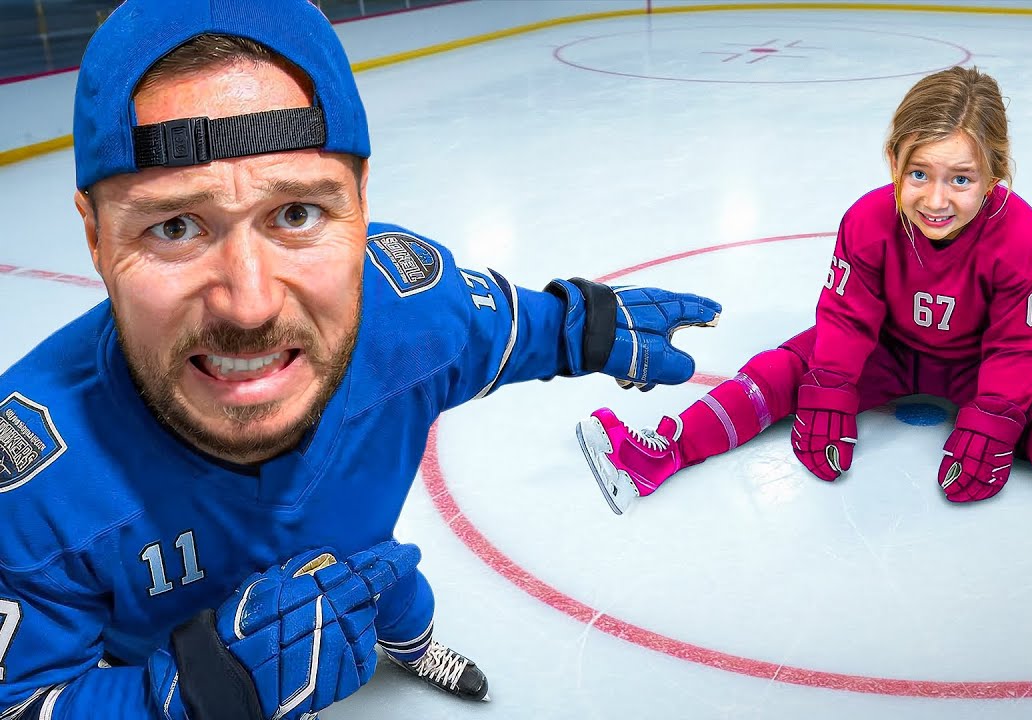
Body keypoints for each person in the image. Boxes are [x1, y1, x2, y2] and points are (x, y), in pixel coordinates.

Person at [0, 1, 721, 718]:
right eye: (176, 226)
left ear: (361, 203)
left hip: (363, 575)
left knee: (401, 598)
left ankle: (412, 647)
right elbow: (23, 701)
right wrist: (189, 698)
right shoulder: (28, 493)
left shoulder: (412, 310)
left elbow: (503, 327)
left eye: (297, 213)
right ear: (95, 237)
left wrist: (581, 325)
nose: (248, 307)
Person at [576, 66, 1032, 648]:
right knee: (783, 367)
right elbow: (848, 314)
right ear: (893, 162)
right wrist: (828, 386)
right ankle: (655, 452)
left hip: (985, 364)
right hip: (891, 347)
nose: (937, 200)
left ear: (996, 174)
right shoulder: (867, 220)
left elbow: (1020, 346)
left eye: (961, 179)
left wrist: (995, 418)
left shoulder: (1025, 237)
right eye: (921, 174)